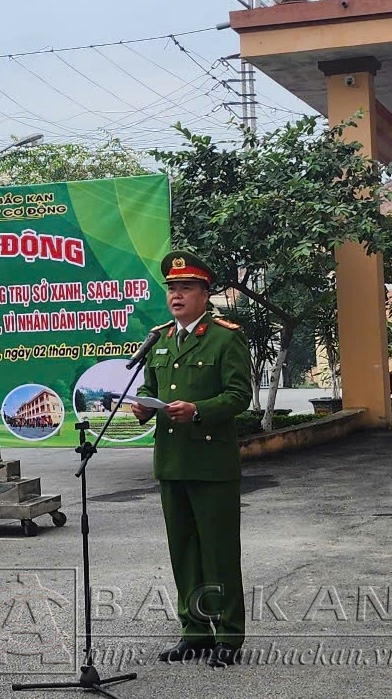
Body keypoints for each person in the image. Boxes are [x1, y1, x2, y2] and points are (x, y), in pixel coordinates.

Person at [130, 250, 251, 669]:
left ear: (204, 294)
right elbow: (149, 388)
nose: (176, 296)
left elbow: (239, 396)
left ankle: (229, 635)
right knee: (183, 551)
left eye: (185, 288)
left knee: (218, 552)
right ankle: (195, 631)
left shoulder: (225, 337)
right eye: (172, 289)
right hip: (172, 462)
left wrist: (197, 409)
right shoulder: (160, 339)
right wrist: (144, 408)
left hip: (211, 464)